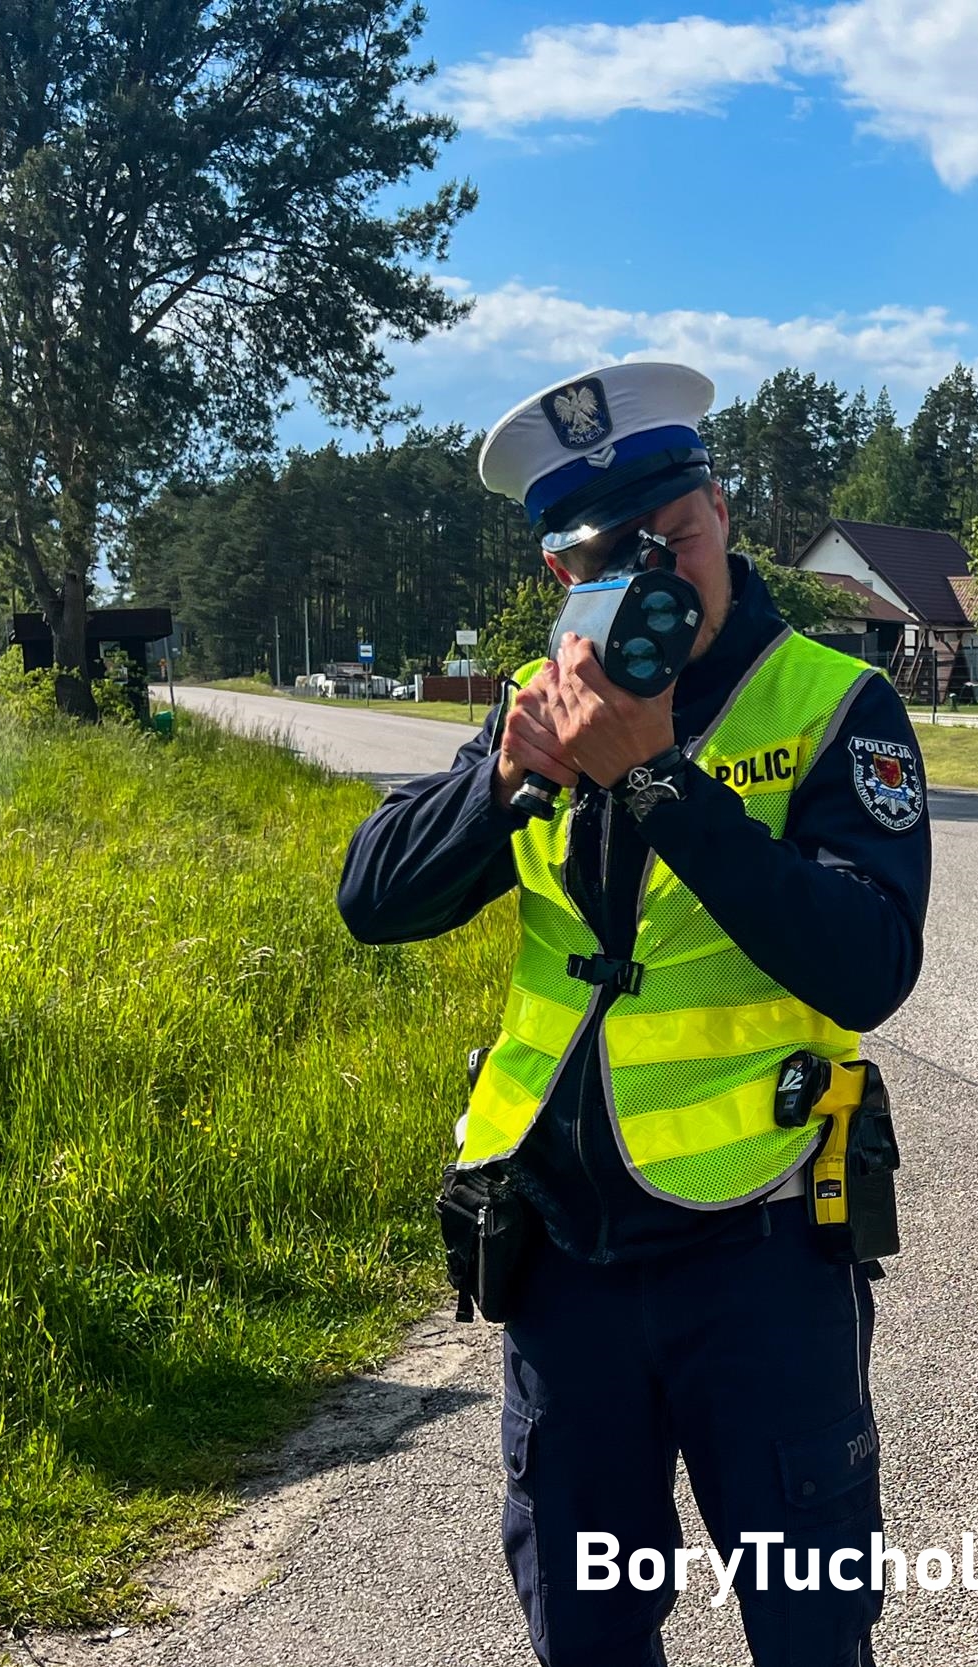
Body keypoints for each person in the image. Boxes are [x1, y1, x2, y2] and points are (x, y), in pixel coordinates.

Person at [337, 362, 931, 1667]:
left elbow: (870, 963)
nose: (657, 570)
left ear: (720, 510)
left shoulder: (834, 706)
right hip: (563, 1262)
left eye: (677, 533)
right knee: (586, 1627)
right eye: (610, 553)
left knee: (809, 1627)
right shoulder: (535, 706)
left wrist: (661, 784)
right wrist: (501, 777)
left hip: (761, 1257)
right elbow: (372, 898)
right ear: (565, 576)